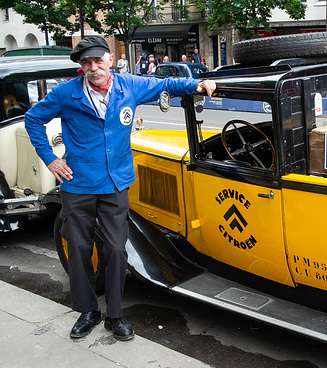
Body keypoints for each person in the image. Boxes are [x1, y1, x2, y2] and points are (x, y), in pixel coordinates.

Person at [24, 35, 216, 342]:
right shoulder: (65, 94)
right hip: (78, 184)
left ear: (110, 59)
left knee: (115, 249)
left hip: (115, 184)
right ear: (81, 66)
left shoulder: (129, 85)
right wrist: (50, 159)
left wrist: (197, 85)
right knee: (80, 248)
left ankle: (115, 314)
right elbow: (33, 119)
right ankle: (88, 311)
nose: (93, 67)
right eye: (86, 63)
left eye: (98, 60)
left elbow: (165, 85)